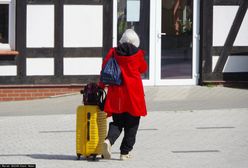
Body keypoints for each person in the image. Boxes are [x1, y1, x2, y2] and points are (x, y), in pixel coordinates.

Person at [98, 29, 148, 160]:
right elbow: (143, 68)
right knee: (132, 124)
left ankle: (108, 141)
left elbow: (104, 70)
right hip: (133, 95)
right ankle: (125, 153)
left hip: (116, 94)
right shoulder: (138, 54)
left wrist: (100, 88)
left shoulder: (113, 52)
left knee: (118, 122)